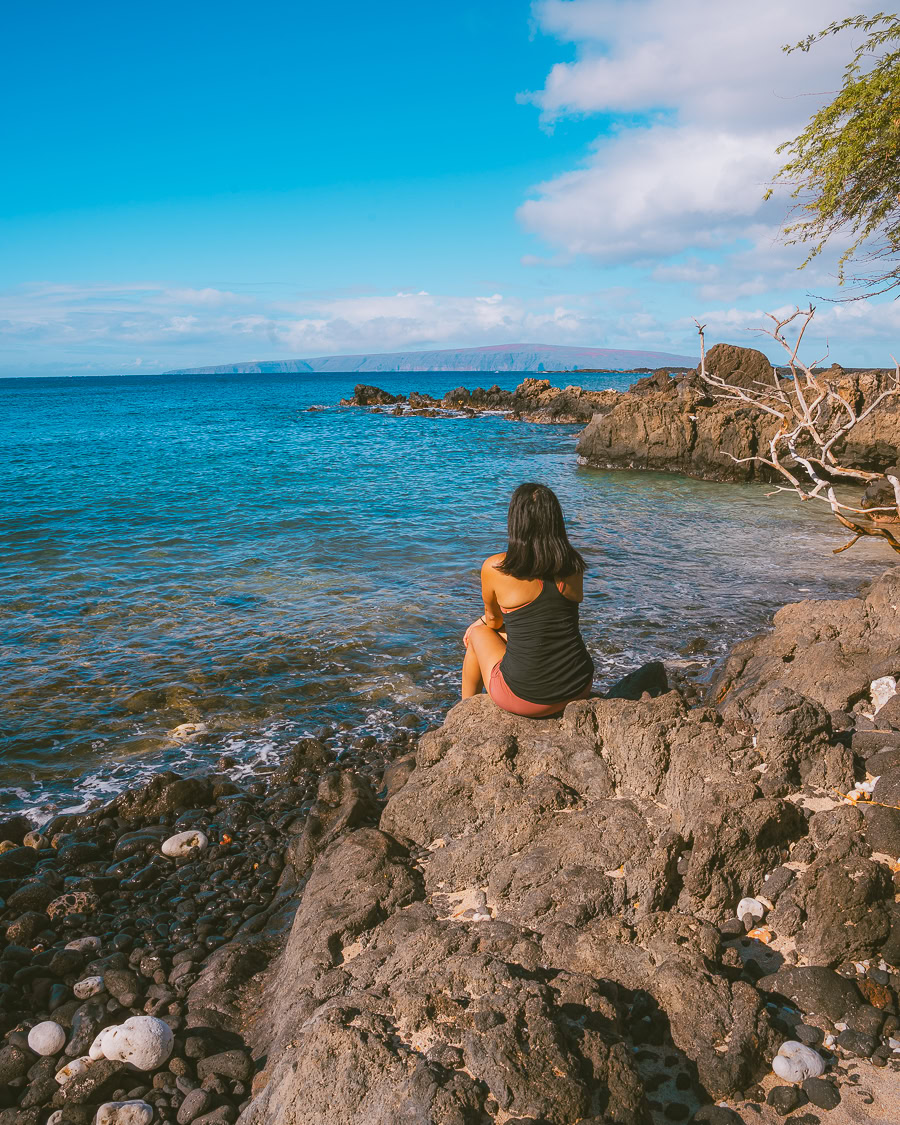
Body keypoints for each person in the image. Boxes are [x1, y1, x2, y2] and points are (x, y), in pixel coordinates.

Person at [462, 482, 594, 716]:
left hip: (526, 698)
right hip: (578, 685)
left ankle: (463, 714)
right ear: (555, 520)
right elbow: (547, 617)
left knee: (477, 635)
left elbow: (493, 622)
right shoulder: (574, 564)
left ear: (516, 522)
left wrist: (479, 624)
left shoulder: (496, 567)